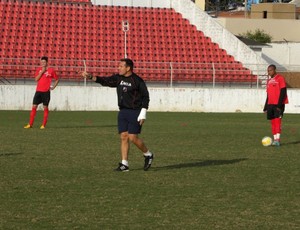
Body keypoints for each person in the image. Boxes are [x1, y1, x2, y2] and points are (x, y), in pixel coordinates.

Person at [79, 58, 154, 171]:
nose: (118, 68)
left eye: (121, 66)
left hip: (135, 111)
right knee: (124, 136)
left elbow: (145, 97)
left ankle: (148, 154)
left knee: (132, 137)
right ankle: (125, 164)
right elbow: (104, 81)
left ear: (128, 68)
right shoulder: (118, 78)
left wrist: (143, 113)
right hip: (123, 111)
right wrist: (90, 76)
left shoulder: (137, 80)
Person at [24, 56, 59, 129]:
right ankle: (30, 124)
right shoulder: (39, 70)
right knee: (34, 106)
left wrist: (53, 87)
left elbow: (57, 79)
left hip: (46, 92)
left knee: (45, 107)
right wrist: (42, 72)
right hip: (38, 91)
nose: (42, 63)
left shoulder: (51, 70)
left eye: (44, 62)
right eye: (41, 62)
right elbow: (36, 79)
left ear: (47, 62)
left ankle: (43, 124)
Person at [263, 64, 288, 146]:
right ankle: (275, 140)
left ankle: (278, 140)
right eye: (268, 71)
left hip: (278, 105)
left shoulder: (280, 78)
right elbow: (268, 95)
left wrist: (279, 105)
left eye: (270, 70)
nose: (269, 72)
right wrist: (265, 107)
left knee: (277, 122)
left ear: (274, 70)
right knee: (273, 122)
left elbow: (283, 92)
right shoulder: (269, 81)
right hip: (270, 105)